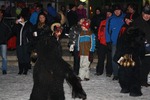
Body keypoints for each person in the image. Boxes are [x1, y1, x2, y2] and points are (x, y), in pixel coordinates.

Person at [131, 5, 150, 87]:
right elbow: (132, 35)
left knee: (147, 65)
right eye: (145, 14)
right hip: (139, 47)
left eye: (149, 14)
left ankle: (144, 81)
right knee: (139, 65)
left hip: (149, 48)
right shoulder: (137, 22)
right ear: (142, 13)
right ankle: (137, 81)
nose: (147, 16)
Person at [105, 5, 125, 80]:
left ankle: (122, 73)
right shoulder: (110, 19)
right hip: (114, 42)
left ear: (121, 11)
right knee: (114, 58)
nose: (117, 12)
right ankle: (116, 74)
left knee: (122, 59)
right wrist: (108, 41)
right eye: (115, 11)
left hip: (123, 43)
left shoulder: (124, 18)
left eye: (118, 10)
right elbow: (107, 31)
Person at [95, 9, 113, 77]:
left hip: (110, 43)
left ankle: (109, 72)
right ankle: (99, 71)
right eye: (107, 14)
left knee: (109, 58)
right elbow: (100, 31)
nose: (108, 15)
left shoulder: (113, 21)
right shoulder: (103, 22)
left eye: (109, 14)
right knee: (101, 58)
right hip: (102, 42)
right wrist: (99, 38)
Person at [0, 9, 12, 75]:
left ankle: (4, 69)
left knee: (4, 57)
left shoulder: (5, 22)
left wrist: (6, 38)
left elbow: (10, 31)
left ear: (2, 14)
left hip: (3, 42)